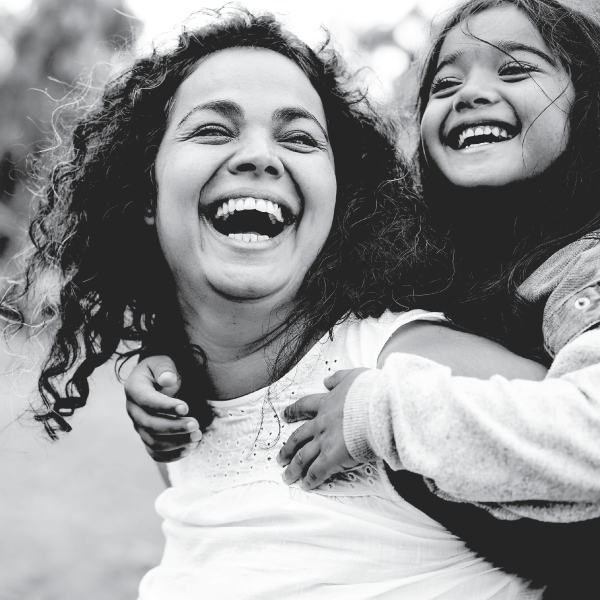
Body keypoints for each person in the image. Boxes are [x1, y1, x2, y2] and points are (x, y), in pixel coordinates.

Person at [3, 7, 547, 599]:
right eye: (214, 130)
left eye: (299, 138)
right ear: (146, 194)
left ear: (338, 200)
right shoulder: (178, 407)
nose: (260, 156)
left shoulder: (407, 369)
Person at [124, 0, 600, 594]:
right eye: (445, 84)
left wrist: (379, 414)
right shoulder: (448, 268)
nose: (470, 94)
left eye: (515, 69)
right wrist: (169, 356)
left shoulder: (585, 267)